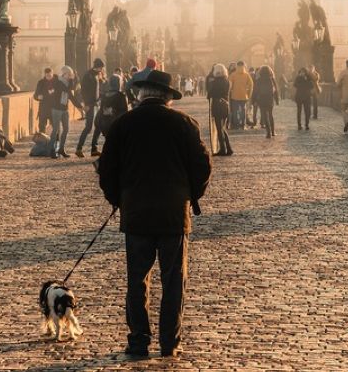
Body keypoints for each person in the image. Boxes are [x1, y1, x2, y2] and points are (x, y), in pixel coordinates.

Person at [98, 70, 211, 359]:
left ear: (140, 94)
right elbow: (202, 168)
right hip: (174, 214)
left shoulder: (123, 124)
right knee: (173, 280)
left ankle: (138, 342)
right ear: (168, 98)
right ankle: (169, 343)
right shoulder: (185, 124)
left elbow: (106, 169)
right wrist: (190, 196)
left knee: (137, 280)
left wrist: (119, 200)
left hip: (136, 214)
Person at [75, 58, 105, 158]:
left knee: (99, 125)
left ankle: (94, 149)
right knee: (88, 127)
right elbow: (83, 91)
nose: (101, 70)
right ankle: (79, 148)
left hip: (96, 104)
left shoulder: (97, 75)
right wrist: (86, 104)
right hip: (90, 104)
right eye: (101, 67)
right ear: (98, 67)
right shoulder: (88, 76)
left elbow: (97, 89)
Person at [49, 66, 81, 158]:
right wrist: (71, 80)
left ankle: (61, 149)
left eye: (71, 74)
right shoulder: (58, 82)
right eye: (69, 74)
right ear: (64, 74)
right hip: (56, 109)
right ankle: (52, 150)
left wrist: (79, 106)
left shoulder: (67, 83)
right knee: (56, 130)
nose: (70, 76)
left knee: (66, 129)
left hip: (64, 109)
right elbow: (68, 90)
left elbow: (70, 95)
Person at [207, 63, 233, 156]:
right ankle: (229, 148)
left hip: (217, 106)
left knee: (219, 128)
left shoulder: (215, 82)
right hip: (225, 105)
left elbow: (209, 94)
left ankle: (223, 149)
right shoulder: (227, 81)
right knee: (222, 128)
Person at [254, 65, 279, 138]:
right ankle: (273, 131)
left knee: (264, 116)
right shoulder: (271, 79)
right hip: (270, 99)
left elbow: (256, 91)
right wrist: (277, 100)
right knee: (270, 115)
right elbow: (276, 90)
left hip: (261, 99)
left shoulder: (259, 80)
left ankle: (268, 133)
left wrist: (254, 100)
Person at [229, 61, 253, 129]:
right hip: (244, 96)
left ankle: (236, 125)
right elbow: (251, 85)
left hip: (234, 96)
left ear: (237, 66)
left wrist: (230, 91)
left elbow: (229, 85)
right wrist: (248, 93)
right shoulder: (247, 75)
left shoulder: (233, 75)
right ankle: (243, 125)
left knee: (235, 111)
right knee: (243, 111)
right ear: (244, 66)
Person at [33, 67, 58, 133]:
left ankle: (56, 140)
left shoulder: (57, 82)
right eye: (47, 76)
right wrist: (38, 97)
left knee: (55, 126)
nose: (48, 77)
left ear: (52, 74)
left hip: (54, 108)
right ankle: (43, 141)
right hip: (43, 108)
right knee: (41, 126)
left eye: (50, 75)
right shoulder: (41, 82)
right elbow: (35, 95)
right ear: (45, 75)